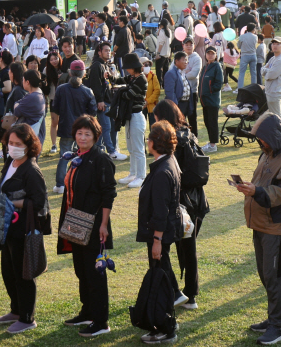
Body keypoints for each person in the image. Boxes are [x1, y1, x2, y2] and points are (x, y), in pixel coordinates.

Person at [235, 113, 281, 345]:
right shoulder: (267, 154)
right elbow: (262, 183)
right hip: (260, 224)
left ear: (272, 136)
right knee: (266, 274)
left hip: (276, 226)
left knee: (274, 277)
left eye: (262, 138)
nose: (259, 142)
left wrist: (256, 192)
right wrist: (249, 188)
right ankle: (275, 318)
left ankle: (278, 325)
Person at [57, 115, 117, 338]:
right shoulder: (77, 157)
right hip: (74, 221)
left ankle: (101, 321)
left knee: (94, 274)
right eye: (79, 133)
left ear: (96, 136)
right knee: (81, 270)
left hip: (93, 225)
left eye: (87, 134)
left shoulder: (100, 159)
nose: (82, 137)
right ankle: (87, 311)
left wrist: (104, 224)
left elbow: (108, 193)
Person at [0, 125, 50, 334]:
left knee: (24, 274)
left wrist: (11, 202)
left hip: (23, 229)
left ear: (29, 145)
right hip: (7, 227)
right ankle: (16, 310)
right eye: (11, 143)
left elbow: (39, 203)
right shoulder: (10, 161)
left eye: (18, 144)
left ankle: (27, 318)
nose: (13, 147)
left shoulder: (32, 171)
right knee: (8, 272)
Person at [152, 100, 207, 310]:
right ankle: (190, 295)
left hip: (182, 201)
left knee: (166, 247)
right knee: (188, 248)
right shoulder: (189, 133)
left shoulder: (172, 140)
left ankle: (173, 293)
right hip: (197, 199)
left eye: (156, 118)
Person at [136, 120, 182, 344]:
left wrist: (156, 240)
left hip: (160, 235)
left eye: (149, 138)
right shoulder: (168, 162)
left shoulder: (163, 171)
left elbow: (161, 211)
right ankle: (163, 322)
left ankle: (166, 327)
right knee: (163, 277)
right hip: (162, 234)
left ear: (154, 143)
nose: (147, 141)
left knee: (160, 281)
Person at [53, 60, 97, 193]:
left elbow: (56, 108)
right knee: (82, 156)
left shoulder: (61, 89)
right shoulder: (87, 91)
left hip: (66, 127)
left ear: (70, 72)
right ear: (84, 74)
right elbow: (93, 112)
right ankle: (78, 181)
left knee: (64, 156)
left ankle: (60, 184)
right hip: (82, 129)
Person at [110, 53, 148, 188]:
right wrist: (111, 77)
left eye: (128, 67)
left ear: (133, 67)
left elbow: (128, 95)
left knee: (138, 148)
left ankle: (141, 176)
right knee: (131, 148)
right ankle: (133, 174)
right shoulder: (133, 77)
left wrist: (118, 91)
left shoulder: (141, 79)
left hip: (137, 116)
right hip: (130, 117)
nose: (126, 70)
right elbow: (120, 80)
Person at [85, 42, 123, 159]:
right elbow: (96, 85)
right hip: (103, 101)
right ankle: (112, 151)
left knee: (103, 127)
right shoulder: (97, 65)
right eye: (106, 50)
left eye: (109, 50)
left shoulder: (104, 64)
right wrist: (100, 100)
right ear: (99, 52)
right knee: (106, 127)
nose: (108, 52)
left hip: (107, 100)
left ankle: (98, 149)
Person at [14, 69, 47, 147]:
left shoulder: (32, 97)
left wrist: (17, 104)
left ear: (27, 82)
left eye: (23, 80)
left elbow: (16, 111)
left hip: (31, 136)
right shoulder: (37, 94)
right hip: (35, 134)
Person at [199, 47, 223, 152]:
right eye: (208, 53)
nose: (210, 55)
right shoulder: (205, 66)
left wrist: (210, 90)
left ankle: (213, 145)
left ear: (216, 55)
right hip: (205, 100)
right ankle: (211, 143)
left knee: (212, 122)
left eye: (212, 54)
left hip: (212, 100)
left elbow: (218, 83)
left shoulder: (217, 66)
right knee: (207, 121)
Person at [262, 38, 281, 119]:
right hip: (270, 90)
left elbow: (270, 76)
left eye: (277, 44)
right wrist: (267, 70)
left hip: (275, 91)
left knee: (276, 116)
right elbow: (262, 70)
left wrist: (266, 71)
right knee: (271, 115)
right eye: (273, 44)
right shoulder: (273, 58)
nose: (275, 46)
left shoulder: (280, 60)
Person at [181, 37, 201, 137]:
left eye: (191, 44)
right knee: (180, 117)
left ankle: (194, 140)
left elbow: (193, 74)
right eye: (186, 44)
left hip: (192, 91)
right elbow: (172, 72)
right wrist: (185, 73)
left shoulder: (197, 58)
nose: (189, 46)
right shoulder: (179, 56)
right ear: (183, 45)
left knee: (192, 117)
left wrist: (181, 73)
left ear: (194, 46)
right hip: (180, 92)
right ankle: (182, 139)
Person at [43, 50, 62, 153]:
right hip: (53, 98)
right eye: (51, 60)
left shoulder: (63, 68)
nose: (54, 61)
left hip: (64, 99)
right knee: (54, 122)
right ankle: (54, 144)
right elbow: (45, 86)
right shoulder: (47, 70)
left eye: (56, 58)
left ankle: (65, 144)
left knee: (65, 121)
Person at [237, 23, 258, 88]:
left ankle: (240, 88)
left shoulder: (242, 36)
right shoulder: (255, 36)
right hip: (253, 55)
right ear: (253, 29)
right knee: (253, 73)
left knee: (242, 73)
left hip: (244, 55)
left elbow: (239, 46)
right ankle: (254, 87)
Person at [141, 56, 160, 126]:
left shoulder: (153, 76)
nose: (147, 67)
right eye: (145, 65)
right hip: (141, 106)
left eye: (149, 65)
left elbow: (157, 91)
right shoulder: (136, 77)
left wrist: (148, 101)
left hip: (152, 106)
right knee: (141, 127)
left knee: (154, 127)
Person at [155, 19, 172, 85]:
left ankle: (159, 83)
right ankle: (165, 84)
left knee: (158, 70)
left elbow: (161, 43)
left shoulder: (162, 31)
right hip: (167, 53)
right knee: (165, 70)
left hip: (161, 54)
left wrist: (158, 53)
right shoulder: (169, 31)